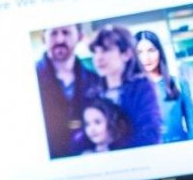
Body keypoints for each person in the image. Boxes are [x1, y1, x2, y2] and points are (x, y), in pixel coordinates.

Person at [85, 25, 161, 149]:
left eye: (106, 50)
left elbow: (150, 134)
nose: (98, 58)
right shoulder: (92, 92)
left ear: (126, 54)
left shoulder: (142, 88)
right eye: (95, 52)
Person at [34, 24, 100, 158]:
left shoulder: (95, 80)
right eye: (53, 33)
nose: (60, 40)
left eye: (66, 32)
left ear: (79, 37)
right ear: (43, 39)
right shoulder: (29, 78)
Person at [134, 29, 193, 143]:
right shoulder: (131, 90)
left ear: (159, 52)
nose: (146, 58)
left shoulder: (178, 83)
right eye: (139, 52)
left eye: (151, 50)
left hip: (179, 148)